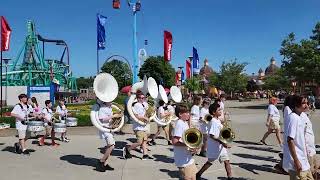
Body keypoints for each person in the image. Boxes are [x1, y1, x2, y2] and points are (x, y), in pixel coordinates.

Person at [196, 102, 232, 180]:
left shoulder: (217, 120)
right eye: (218, 110)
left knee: (226, 161)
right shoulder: (214, 122)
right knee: (210, 162)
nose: (220, 111)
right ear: (213, 112)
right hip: (215, 146)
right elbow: (212, 135)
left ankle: (230, 177)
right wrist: (222, 142)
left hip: (220, 146)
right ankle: (198, 174)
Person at [283, 95, 313, 180]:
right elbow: (290, 140)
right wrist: (296, 161)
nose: (306, 105)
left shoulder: (300, 117)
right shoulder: (293, 118)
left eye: (307, 103)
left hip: (304, 162)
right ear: (296, 104)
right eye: (303, 103)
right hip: (297, 163)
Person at [123, 92, 153, 160]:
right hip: (138, 126)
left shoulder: (144, 104)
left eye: (144, 98)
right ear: (137, 98)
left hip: (144, 125)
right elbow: (136, 116)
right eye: (141, 98)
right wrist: (145, 118)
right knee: (139, 142)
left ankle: (145, 155)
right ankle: (128, 149)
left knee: (144, 141)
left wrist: (149, 114)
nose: (143, 99)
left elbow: (147, 112)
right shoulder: (136, 105)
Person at [172, 104, 198, 180]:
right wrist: (189, 145)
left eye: (188, 112)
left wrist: (193, 147)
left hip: (188, 157)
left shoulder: (184, 122)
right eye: (186, 113)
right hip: (182, 159)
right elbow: (175, 141)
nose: (188, 114)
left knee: (193, 177)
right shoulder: (179, 124)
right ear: (180, 114)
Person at [95, 100, 119, 172]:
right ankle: (101, 161)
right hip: (105, 129)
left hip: (109, 129)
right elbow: (101, 118)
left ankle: (105, 164)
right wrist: (113, 116)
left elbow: (109, 119)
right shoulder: (102, 108)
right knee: (111, 145)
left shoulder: (109, 107)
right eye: (110, 100)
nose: (112, 101)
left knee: (110, 146)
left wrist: (115, 119)